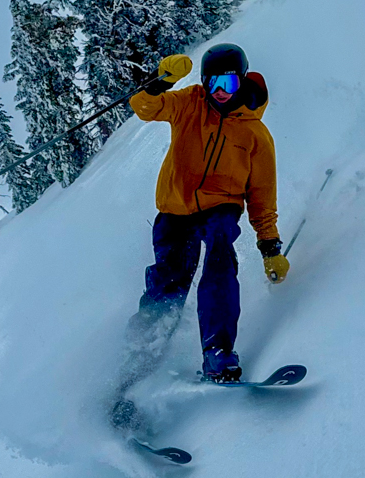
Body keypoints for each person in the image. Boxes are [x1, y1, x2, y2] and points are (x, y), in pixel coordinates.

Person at [118, 43, 290, 392]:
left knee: (219, 260)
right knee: (168, 281)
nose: (220, 93)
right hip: (174, 209)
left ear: (241, 81)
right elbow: (145, 108)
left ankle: (217, 351)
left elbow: (261, 197)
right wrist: (161, 81)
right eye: (213, 84)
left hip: (220, 208)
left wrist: (269, 246)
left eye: (227, 84)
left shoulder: (255, 134)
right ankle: (137, 359)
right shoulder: (189, 103)